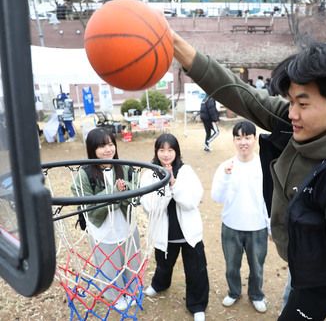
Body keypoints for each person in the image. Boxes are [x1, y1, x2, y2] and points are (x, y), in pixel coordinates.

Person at [172, 31, 326, 320]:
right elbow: (243, 95)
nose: (291, 113)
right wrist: (176, 46)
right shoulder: (310, 122)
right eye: (290, 101)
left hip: (325, 277)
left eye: (302, 104)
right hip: (303, 256)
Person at [140, 133, 208, 321]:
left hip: (188, 233)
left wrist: (173, 184)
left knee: (196, 269)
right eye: (162, 150)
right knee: (163, 264)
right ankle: (159, 284)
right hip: (165, 233)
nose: (166, 154)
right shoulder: (149, 173)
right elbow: (149, 206)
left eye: (170, 150)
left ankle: (197, 305)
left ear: (176, 152)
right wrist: (167, 189)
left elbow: (191, 202)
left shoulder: (186, 171)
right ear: (156, 152)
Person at [70, 127, 139, 311]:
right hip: (103, 229)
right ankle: (115, 295)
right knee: (109, 264)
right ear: (92, 149)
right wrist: (114, 192)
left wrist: (126, 189)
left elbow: (137, 192)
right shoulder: (85, 174)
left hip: (126, 225)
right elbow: (90, 208)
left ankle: (132, 289)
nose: (108, 149)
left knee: (130, 260)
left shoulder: (124, 167)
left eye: (110, 144)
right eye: (101, 146)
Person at [211, 120, 269, 313]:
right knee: (231, 266)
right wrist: (227, 176)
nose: (243, 142)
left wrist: (269, 225)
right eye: (239, 137)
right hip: (231, 225)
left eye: (247, 137)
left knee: (257, 266)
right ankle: (234, 292)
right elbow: (216, 197)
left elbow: (268, 198)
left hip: (257, 226)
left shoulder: (264, 165)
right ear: (234, 140)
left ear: (254, 139)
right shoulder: (226, 166)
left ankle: (257, 294)